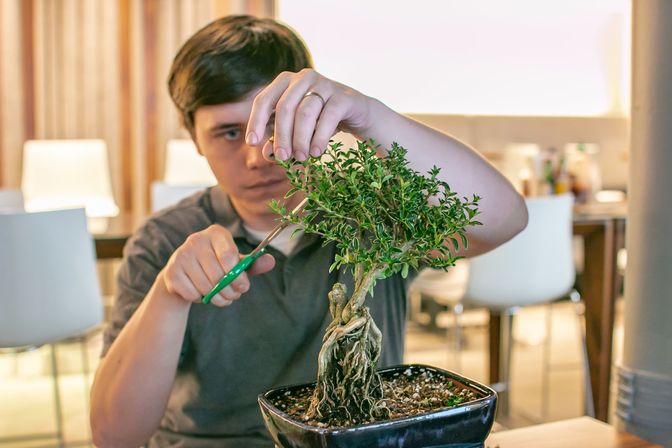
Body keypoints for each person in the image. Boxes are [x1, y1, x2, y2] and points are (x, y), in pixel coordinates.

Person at [90, 15, 527, 447]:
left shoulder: (370, 214)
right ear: (194, 138)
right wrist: (169, 294)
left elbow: (507, 219)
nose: (258, 156)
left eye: (275, 121)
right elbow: (114, 436)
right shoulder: (164, 240)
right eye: (228, 132)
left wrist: (368, 116)